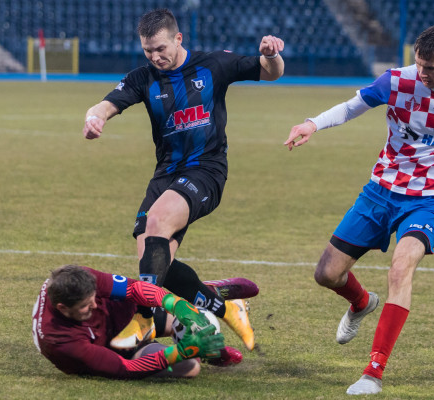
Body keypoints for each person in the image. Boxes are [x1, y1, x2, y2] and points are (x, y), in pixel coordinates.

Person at [284, 25, 434, 395]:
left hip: (429, 200)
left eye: (430, 68)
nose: (422, 73)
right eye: (418, 64)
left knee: (401, 269)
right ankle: (362, 303)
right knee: (326, 274)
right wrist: (312, 124)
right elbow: (353, 106)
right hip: (380, 193)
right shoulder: (397, 82)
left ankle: (373, 372)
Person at [82, 8, 284, 351]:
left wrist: (272, 55)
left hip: (206, 171)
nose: (155, 56)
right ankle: (227, 308)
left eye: (161, 48)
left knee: (156, 223)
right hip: (166, 176)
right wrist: (93, 118)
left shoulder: (213, 65)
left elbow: (271, 72)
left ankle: (144, 318)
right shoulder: (142, 78)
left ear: (178, 38)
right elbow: (107, 104)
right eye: (148, 50)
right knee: (156, 260)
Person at [31, 264, 246, 379]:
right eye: (86, 306)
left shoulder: (78, 277)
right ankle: (194, 349)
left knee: (187, 318)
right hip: (113, 348)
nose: (94, 305)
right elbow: (128, 368)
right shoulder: (62, 341)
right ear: (63, 308)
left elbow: (133, 288)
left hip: (122, 316)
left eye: (93, 298)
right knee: (189, 368)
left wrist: (174, 302)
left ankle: (200, 293)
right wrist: (180, 352)